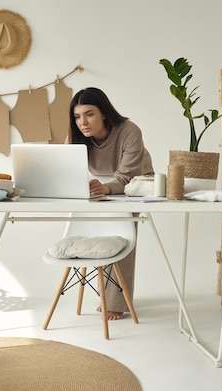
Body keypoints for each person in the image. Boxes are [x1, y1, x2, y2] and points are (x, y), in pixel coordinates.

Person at [68, 87, 154, 320]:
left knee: (122, 234)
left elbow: (127, 177)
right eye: (77, 117)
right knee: (99, 235)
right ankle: (109, 294)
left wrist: (106, 187)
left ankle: (117, 302)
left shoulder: (129, 131)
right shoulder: (76, 138)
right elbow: (68, 171)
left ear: (104, 113)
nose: (82, 122)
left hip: (137, 181)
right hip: (103, 186)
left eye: (89, 114)